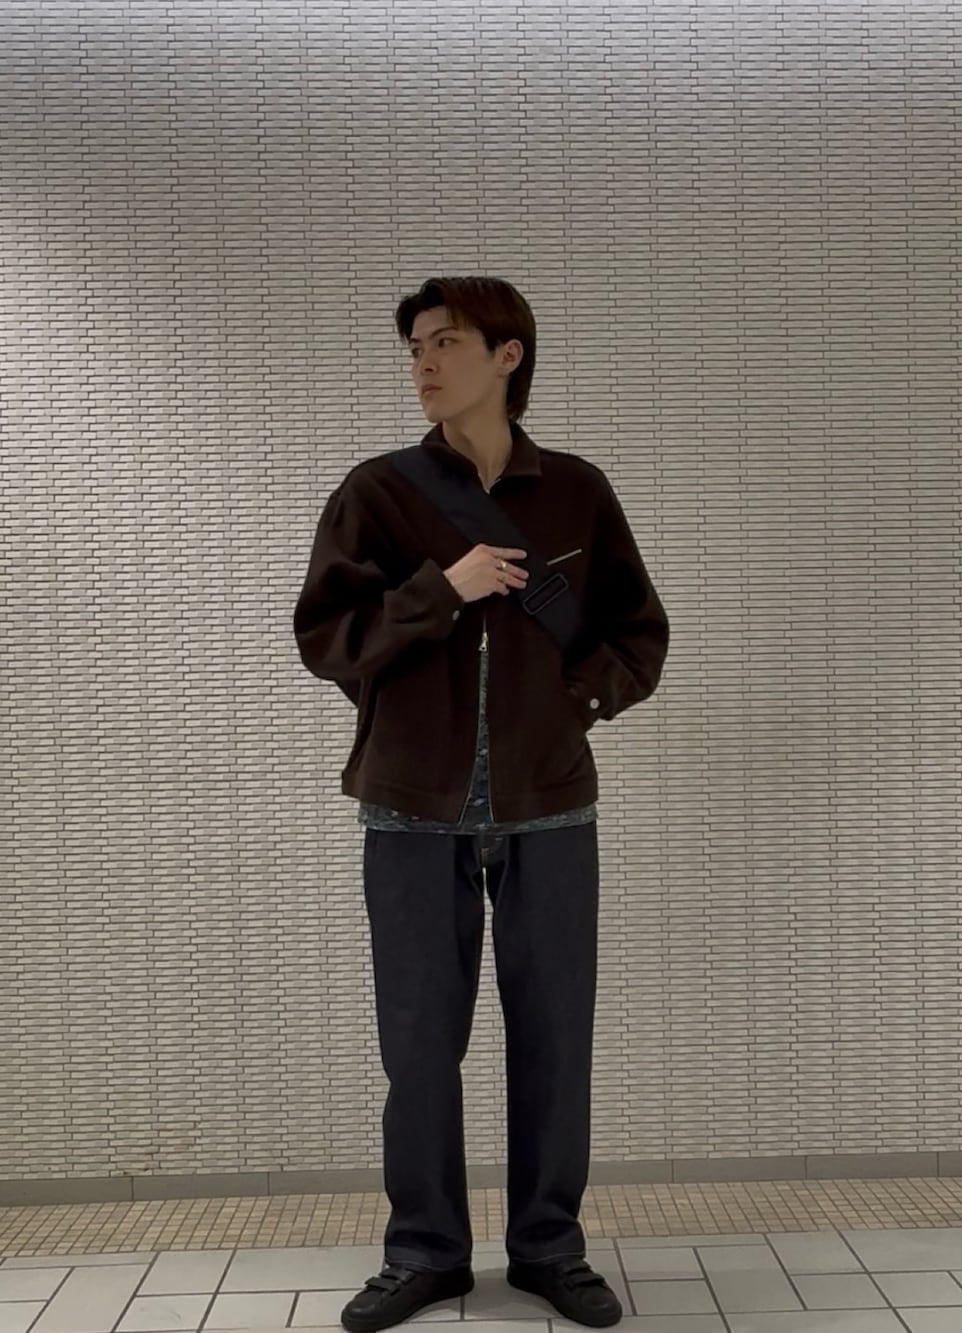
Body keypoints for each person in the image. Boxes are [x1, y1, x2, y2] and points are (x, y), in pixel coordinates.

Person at [293, 276, 669, 1331]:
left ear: (508, 356)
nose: (422, 363)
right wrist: (439, 590)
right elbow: (327, 639)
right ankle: (425, 1251)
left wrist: (575, 705)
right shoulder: (378, 491)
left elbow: (637, 634)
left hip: (550, 808)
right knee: (418, 1046)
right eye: (414, 347)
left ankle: (549, 1246)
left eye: (445, 342)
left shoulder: (578, 492)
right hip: (410, 809)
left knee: (555, 1039)